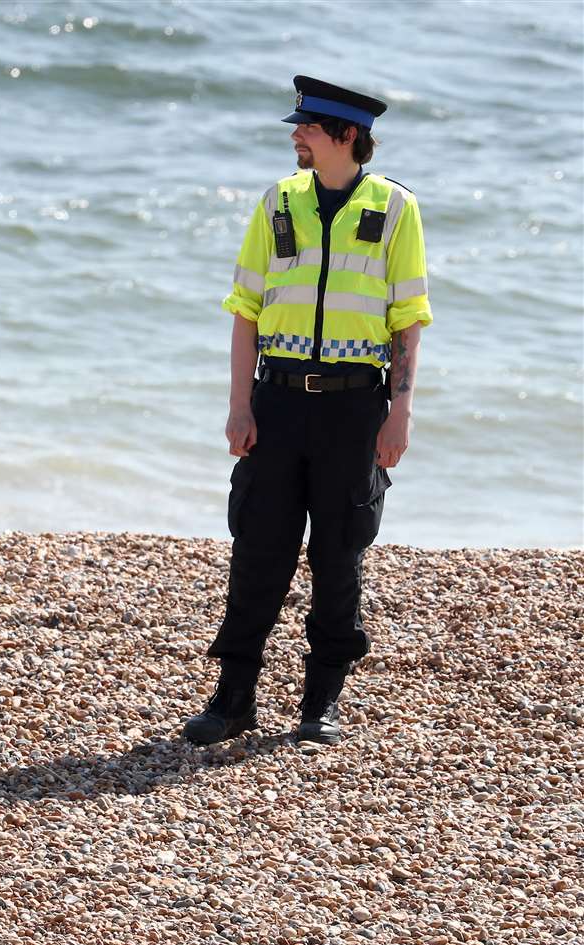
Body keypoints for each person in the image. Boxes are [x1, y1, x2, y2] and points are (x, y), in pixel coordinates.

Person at [184, 77, 432, 747]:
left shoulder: (394, 208)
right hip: (277, 403)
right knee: (257, 550)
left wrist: (398, 413)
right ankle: (232, 697)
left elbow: (407, 321)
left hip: (353, 410)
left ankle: (319, 705)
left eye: (309, 126)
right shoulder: (277, 204)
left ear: (345, 136)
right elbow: (245, 312)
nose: (295, 134)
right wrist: (238, 406)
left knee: (338, 554)